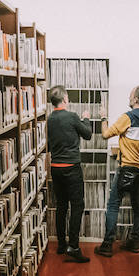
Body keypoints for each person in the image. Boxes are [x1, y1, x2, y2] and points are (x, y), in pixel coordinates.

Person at [95, 85, 139, 257]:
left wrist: (103, 117)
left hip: (125, 169)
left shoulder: (128, 117)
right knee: (138, 208)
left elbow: (106, 134)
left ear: (135, 100)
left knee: (113, 205)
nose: (129, 98)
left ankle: (107, 245)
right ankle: (135, 242)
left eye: (130, 95)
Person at [47, 85, 92, 263]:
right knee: (77, 205)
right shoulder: (72, 116)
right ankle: (73, 247)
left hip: (56, 167)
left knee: (61, 206)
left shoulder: (50, 119)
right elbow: (87, 134)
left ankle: (60, 244)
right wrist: (86, 119)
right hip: (72, 167)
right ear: (65, 99)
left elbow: (49, 145)